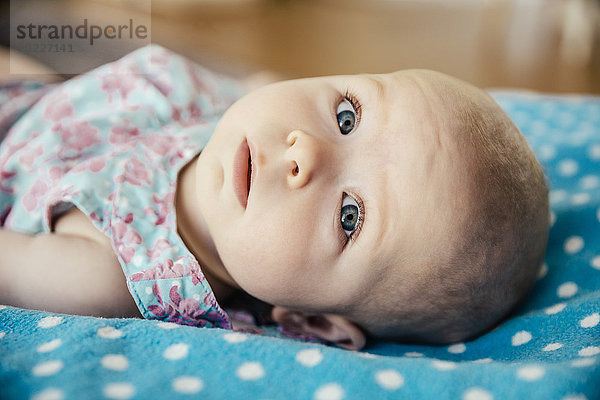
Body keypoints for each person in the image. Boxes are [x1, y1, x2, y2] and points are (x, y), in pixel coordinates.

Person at [0, 45, 549, 350]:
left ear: (312, 321)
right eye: (346, 116)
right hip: (41, 94)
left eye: (350, 216)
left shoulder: (111, 273)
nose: (306, 151)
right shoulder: (244, 121)